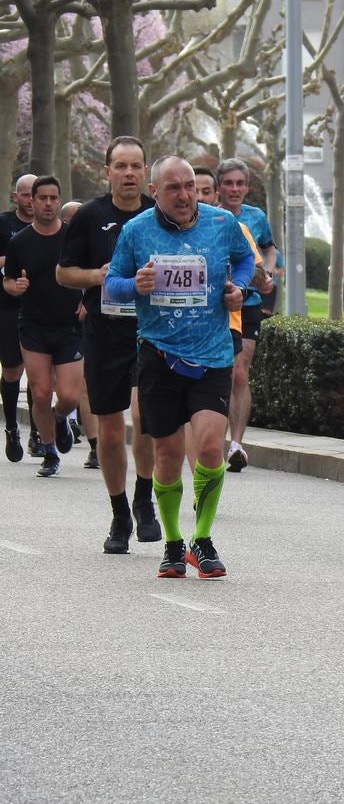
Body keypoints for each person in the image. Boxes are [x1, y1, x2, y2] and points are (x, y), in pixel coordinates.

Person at [104, 155, 254, 579]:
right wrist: (135, 285)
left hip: (212, 354)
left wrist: (237, 287)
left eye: (189, 185)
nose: (186, 195)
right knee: (167, 455)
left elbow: (246, 262)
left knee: (209, 447)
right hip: (158, 356)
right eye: (174, 188)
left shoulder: (222, 223)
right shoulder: (136, 231)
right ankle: (172, 544)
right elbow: (112, 284)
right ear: (156, 193)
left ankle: (202, 540)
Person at [57, 136, 161, 551]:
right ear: (107, 172)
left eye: (136, 166)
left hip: (150, 332)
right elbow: (64, 274)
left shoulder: (159, 216)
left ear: (146, 172)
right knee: (113, 434)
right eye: (121, 166)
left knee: (148, 419)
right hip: (104, 332)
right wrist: (99, 277)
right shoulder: (88, 216)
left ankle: (144, 500)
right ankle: (120, 515)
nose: (130, 174)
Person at [2, 176, 82, 477]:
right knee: (40, 393)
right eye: (43, 198)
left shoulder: (73, 236)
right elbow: (8, 280)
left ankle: (61, 418)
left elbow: (92, 272)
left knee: (70, 396)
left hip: (70, 326)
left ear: (58, 200)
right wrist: (15, 286)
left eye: (53, 198)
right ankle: (49, 452)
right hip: (33, 325)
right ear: (31, 202)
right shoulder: (19, 241)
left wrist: (87, 300)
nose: (48, 203)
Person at [216, 157, 275, 472]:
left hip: (248, 302)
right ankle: (212, 434)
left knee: (239, 372)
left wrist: (265, 271)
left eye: (240, 183)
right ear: (219, 186)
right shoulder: (208, 216)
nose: (235, 189)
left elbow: (268, 248)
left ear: (247, 187)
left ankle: (236, 444)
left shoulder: (256, 216)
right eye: (229, 183)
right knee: (221, 372)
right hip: (214, 305)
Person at [0, 174, 36, 461]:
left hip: (42, 307)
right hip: (8, 307)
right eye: (26, 195)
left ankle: (39, 432)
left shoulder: (52, 228)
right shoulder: (4, 224)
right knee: (13, 372)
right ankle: (12, 427)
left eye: (35, 194)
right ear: (17, 197)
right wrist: (11, 260)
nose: (31, 200)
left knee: (39, 374)